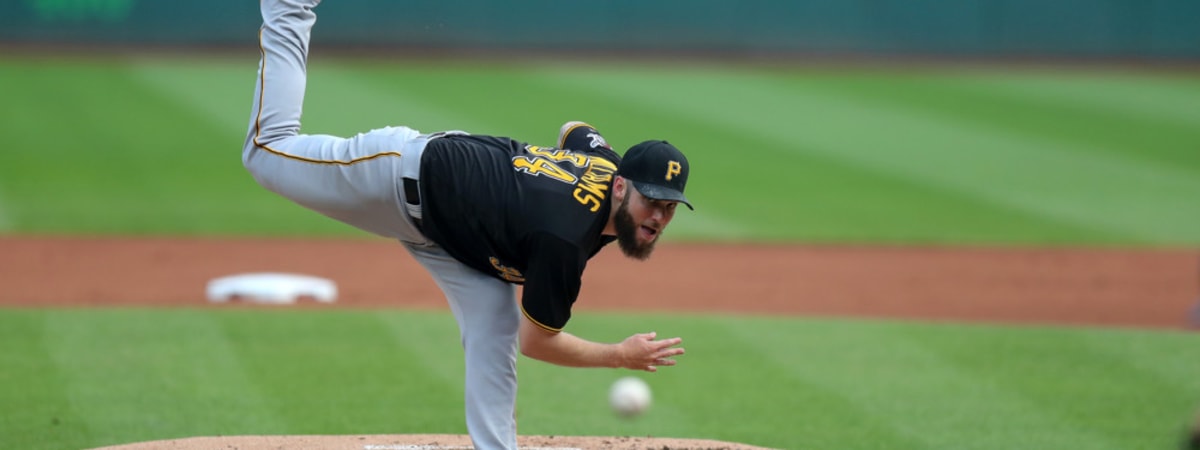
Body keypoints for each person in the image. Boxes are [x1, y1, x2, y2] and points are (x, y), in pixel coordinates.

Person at [243, 1, 691, 448]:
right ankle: (291, 7)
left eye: (669, 207)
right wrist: (618, 356)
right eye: (651, 201)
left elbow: (575, 128)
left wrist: (542, 181)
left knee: (494, 328)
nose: (658, 215)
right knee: (267, 153)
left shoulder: (605, 164)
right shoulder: (563, 239)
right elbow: (538, 342)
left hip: (454, 235)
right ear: (619, 188)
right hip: (401, 176)